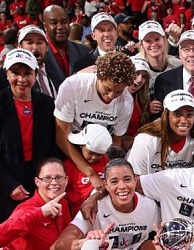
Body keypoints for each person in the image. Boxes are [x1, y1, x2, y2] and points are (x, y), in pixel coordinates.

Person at [0, 49, 60, 224]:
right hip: (4, 182)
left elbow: (53, 145)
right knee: (12, 238)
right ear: (7, 74)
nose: (21, 79)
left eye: (27, 73)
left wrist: (47, 179)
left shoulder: (46, 104)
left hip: (37, 180)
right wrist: (9, 184)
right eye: (15, 73)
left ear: (35, 75)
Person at [55, 51, 135, 194]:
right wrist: (90, 172)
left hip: (101, 156)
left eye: (118, 92)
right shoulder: (73, 86)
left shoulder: (127, 100)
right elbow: (61, 137)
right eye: (107, 89)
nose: (111, 96)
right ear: (98, 76)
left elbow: (116, 144)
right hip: (69, 152)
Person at [128, 90, 194, 175]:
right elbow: (135, 180)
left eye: (189, 115)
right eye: (177, 115)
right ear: (166, 115)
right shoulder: (145, 140)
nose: (184, 120)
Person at [154, 30, 194, 126]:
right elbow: (159, 117)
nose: (191, 54)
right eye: (186, 49)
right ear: (180, 54)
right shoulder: (163, 81)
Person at [64, 124, 112, 217]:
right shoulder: (69, 164)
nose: (94, 157)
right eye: (90, 152)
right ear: (81, 145)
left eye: (99, 154)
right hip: (77, 213)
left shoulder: (106, 161)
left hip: (103, 212)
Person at [137, 20, 181, 117]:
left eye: (157, 39)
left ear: (164, 40)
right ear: (141, 44)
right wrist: (145, 108)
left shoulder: (178, 65)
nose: (153, 44)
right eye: (148, 40)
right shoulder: (135, 68)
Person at [42, 5, 91, 80]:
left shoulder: (85, 52)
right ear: (45, 26)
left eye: (64, 22)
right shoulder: (39, 57)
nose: (60, 27)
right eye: (54, 23)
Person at [123, 56, 153, 152]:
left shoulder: (141, 100)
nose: (139, 79)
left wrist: (147, 112)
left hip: (134, 149)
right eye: (136, 73)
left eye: (144, 76)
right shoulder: (112, 97)